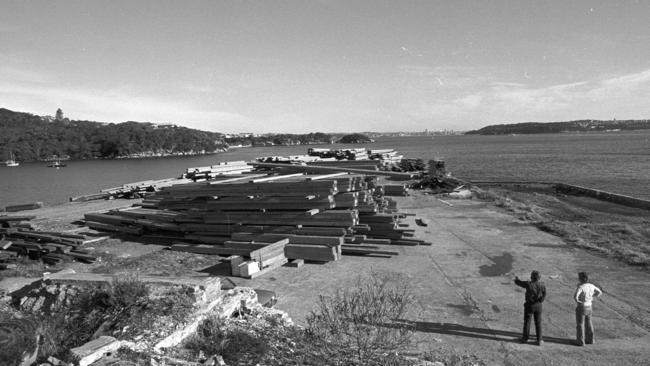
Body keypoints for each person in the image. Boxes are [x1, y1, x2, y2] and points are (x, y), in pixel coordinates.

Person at [514, 270, 546, 345]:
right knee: (538, 322)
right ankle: (539, 340)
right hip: (539, 305)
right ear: (539, 278)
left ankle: (525, 338)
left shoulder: (529, 284)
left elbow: (520, 283)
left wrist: (516, 279)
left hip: (530, 305)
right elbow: (544, 293)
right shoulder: (542, 285)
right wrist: (541, 300)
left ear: (531, 277)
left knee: (527, 322)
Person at [574, 272, 602, 346]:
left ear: (581, 279)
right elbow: (599, 292)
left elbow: (575, 297)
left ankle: (580, 341)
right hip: (589, 306)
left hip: (582, 306)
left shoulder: (581, 287)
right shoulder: (591, 286)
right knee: (589, 322)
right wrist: (593, 296)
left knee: (580, 324)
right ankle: (590, 339)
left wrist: (579, 301)